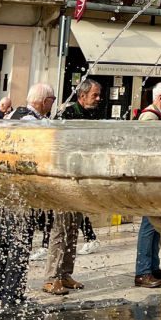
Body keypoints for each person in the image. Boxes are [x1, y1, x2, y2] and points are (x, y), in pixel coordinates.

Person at [0, 83, 54, 309]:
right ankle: (13, 296)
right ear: (44, 101)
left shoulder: (11, 115)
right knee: (20, 243)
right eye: (52, 100)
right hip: (20, 193)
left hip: (2, 189)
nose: (53, 104)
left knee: (2, 242)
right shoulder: (34, 123)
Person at [133, 81, 161, 288]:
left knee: (155, 224)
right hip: (150, 177)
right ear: (160, 98)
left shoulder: (159, 116)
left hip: (157, 177)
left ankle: (152, 266)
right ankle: (142, 271)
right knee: (148, 225)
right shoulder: (149, 117)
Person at [61, 78, 103, 253]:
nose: (99, 98)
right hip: (68, 167)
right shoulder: (69, 114)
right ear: (82, 95)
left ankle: (89, 237)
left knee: (72, 207)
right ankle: (89, 237)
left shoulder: (94, 112)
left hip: (82, 168)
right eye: (95, 95)